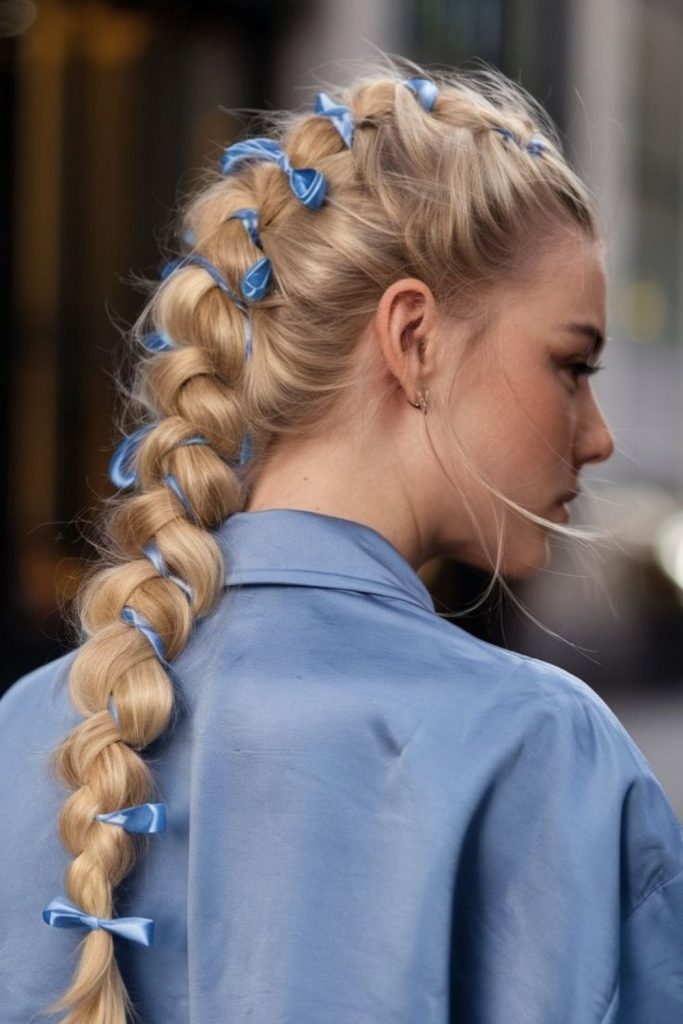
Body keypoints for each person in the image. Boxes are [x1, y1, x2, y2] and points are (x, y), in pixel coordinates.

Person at [1, 56, 681, 1024]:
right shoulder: (532, 745)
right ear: (412, 339)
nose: (597, 433)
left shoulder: (33, 731)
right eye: (568, 364)